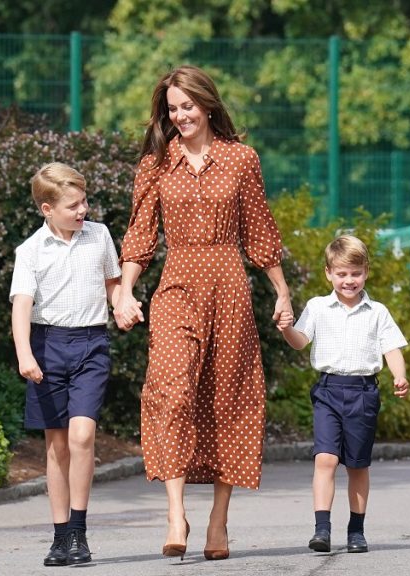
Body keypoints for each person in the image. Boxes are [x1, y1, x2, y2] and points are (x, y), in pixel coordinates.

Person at [111, 65, 294, 562]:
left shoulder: (241, 160)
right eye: (172, 109)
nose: (180, 116)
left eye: (187, 106)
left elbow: (259, 231)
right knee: (170, 389)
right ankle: (175, 513)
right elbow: (141, 235)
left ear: (207, 105)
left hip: (230, 286)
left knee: (226, 397)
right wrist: (125, 292)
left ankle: (218, 520)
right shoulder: (156, 164)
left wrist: (281, 293)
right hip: (177, 286)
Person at [10, 162, 125, 566]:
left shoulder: (100, 236)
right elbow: (22, 306)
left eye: (85, 202)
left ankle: (79, 531)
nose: (83, 211)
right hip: (47, 347)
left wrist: (122, 303)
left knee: (81, 438)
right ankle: (60, 537)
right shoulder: (30, 251)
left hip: (91, 344)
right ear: (47, 208)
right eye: (74, 205)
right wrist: (25, 353)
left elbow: (113, 282)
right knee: (57, 446)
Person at [278, 235, 410, 554]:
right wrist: (286, 329)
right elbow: (300, 340)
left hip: (363, 392)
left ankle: (356, 530)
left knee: (357, 465)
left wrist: (400, 375)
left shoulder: (377, 311)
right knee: (325, 459)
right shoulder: (317, 307)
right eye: (342, 274)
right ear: (328, 273)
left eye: (355, 273)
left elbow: (391, 347)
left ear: (365, 272)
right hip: (328, 390)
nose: (349, 280)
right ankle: (322, 528)